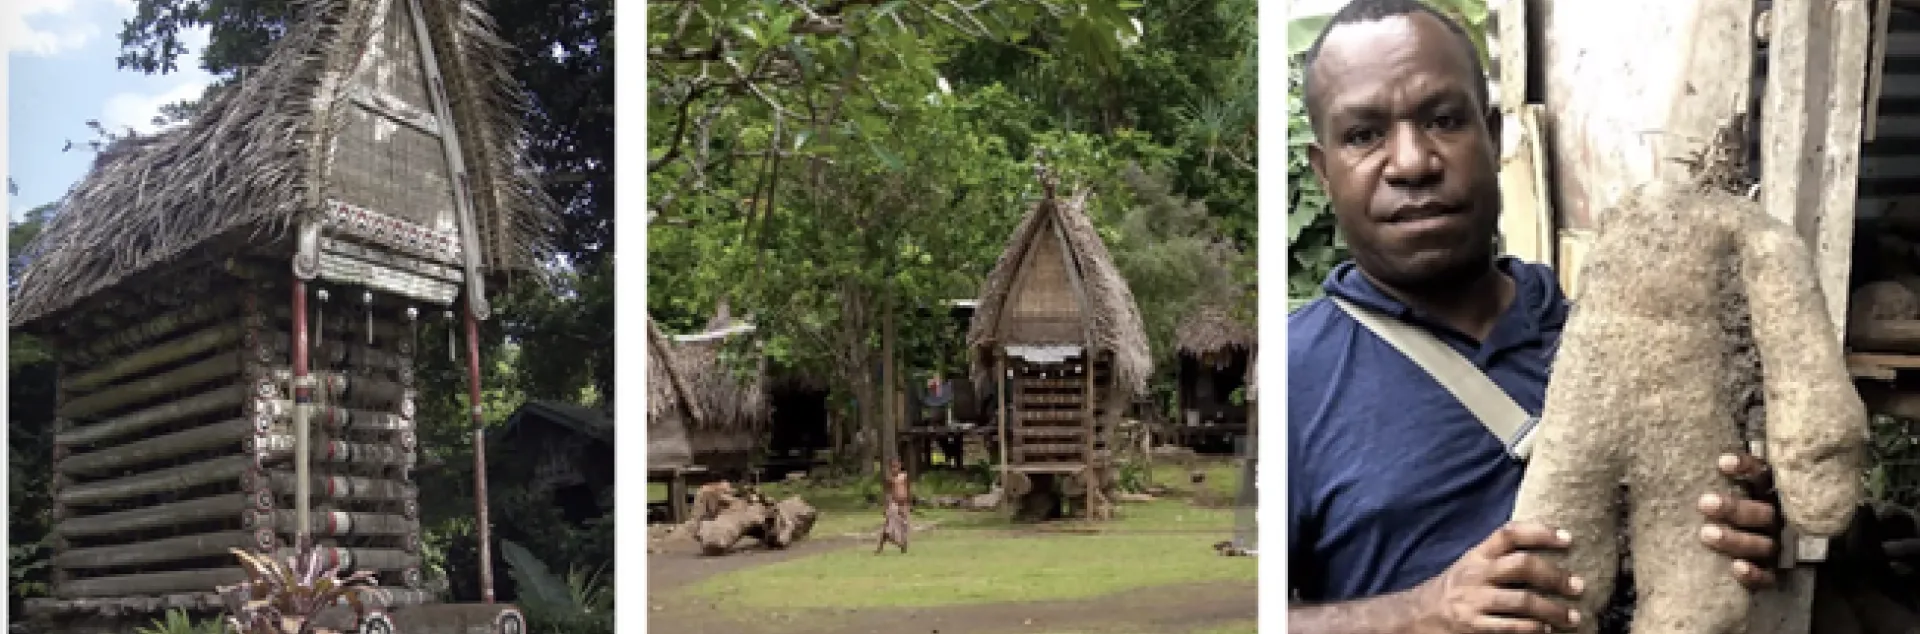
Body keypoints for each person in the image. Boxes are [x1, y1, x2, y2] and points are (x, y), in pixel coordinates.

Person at [1287, 1, 1784, 632]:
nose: (1411, 162)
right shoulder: (1292, 381)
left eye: (1442, 120)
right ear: (1324, 171)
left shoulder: (1615, 339)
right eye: (1363, 135)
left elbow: (1697, 522)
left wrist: (1748, 528)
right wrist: (1421, 611)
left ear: (1493, 137)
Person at [877, 459, 912, 554]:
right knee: (888, 528)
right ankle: (888, 546)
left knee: (904, 527)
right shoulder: (890, 479)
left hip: (903, 505)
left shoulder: (904, 476)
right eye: (892, 467)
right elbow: (887, 493)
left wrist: (909, 504)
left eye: (896, 466)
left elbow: (908, 490)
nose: (894, 469)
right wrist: (886, 507)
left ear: (900, 466)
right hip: (894, 504)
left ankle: (902, 546)